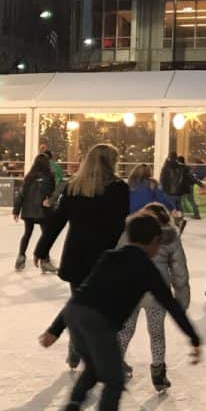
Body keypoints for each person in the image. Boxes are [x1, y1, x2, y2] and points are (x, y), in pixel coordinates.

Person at [39, 213, 202, 411]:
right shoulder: (146, 268)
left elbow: (83, 291)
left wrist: (55, 329)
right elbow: (169, 303)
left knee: (93, 368)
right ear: (153, 241)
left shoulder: (110, 256)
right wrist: (193, 336)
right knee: (114, 379)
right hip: (97, 322)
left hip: (76, 314)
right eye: (158, 243)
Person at [34, 144, 130, 369]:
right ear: (111, 162)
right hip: (106, 259)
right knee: (105, 310)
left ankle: (78, 346)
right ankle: (101, 353)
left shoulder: (74, 187)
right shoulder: (118, 189)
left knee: (80, 304)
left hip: (77, 257)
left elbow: (57, 221)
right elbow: (121, 226)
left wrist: (42, 247)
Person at [117, 202, 190, 392]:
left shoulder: (130, 232)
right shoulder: (171, 236)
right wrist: (182, 300)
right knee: (156, 332)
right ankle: (158, 374)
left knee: (125, 330)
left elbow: (118, 258)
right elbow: (179, 271)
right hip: (157, 292)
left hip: (129, 289)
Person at [13, 154, 56, 271]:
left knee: (27, 234)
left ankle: (21, 256)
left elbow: (21, 194)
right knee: (46, 236)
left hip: (28, 211)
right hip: (43, 211)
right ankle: (45, 261)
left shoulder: (29, 177)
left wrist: (16, 210)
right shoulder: (49, 176)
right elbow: (50, 192)